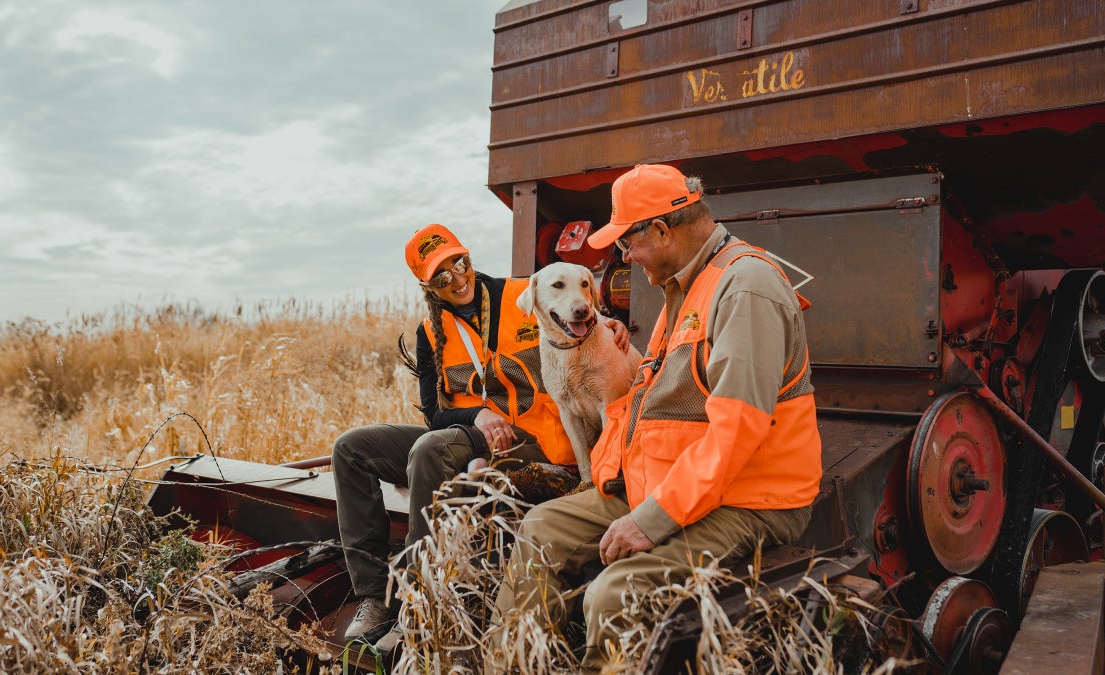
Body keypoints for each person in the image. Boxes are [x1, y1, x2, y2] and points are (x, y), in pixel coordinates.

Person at [492, 164, 824, 671]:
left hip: (750, 497)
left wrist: (648, 522)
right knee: (542, 529)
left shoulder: (744, 289)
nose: (623, 258)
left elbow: (737, 435)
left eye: (627, 245)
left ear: (663, 231)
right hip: (678, 482)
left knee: (610, 596)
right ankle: (511, 664)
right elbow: (655, 403)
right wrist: (602, 479)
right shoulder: (683, 287)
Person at [334, 223, 628, 645]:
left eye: (460, 262)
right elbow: (435, 411)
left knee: (430, 448)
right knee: (351, 448)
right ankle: (374, 596)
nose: (456, 277)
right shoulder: (429, 332)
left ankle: (419, 600)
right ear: (428, 286)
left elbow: (579, 311)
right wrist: (477, 416)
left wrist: (611, 325)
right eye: (441, 275)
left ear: (468, 256)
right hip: (475, 434)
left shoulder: (522, 294)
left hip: (538, 437)